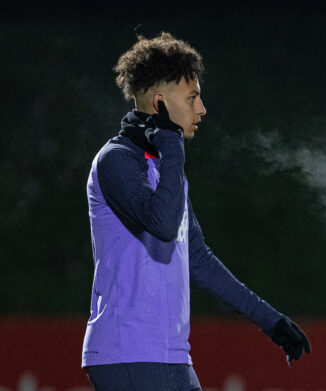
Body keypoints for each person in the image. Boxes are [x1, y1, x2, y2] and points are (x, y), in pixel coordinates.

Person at [82, 32, 310, 390]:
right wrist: (172, 148)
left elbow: (198, 259)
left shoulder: (164, 166)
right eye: (193, 97)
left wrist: (270, 320)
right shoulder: (117, 160)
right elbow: (163, 226)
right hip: (128, 352)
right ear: (159, 103)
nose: (202, 109)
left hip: (172, 355)